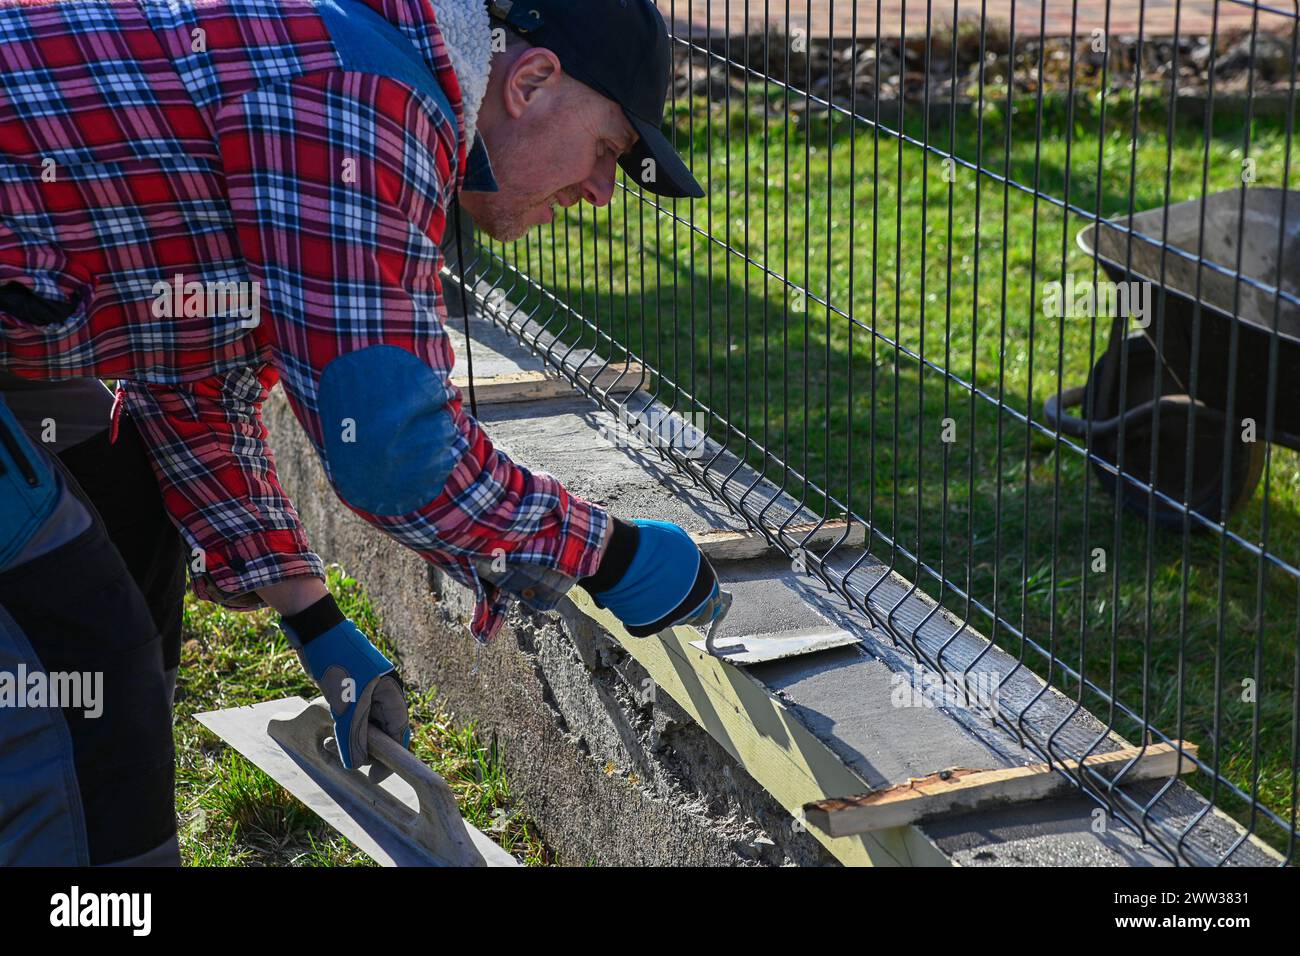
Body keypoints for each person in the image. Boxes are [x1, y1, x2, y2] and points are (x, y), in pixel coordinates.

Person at [0, 0, 722, 866]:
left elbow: (191, 385)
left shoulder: (351, 50)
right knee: (77, 665)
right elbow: (395, 453)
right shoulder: (359, 98)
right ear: (531, 82)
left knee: (121, 509)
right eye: (608, 149)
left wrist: (315, 624)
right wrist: (609, 555)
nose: (602, 191)